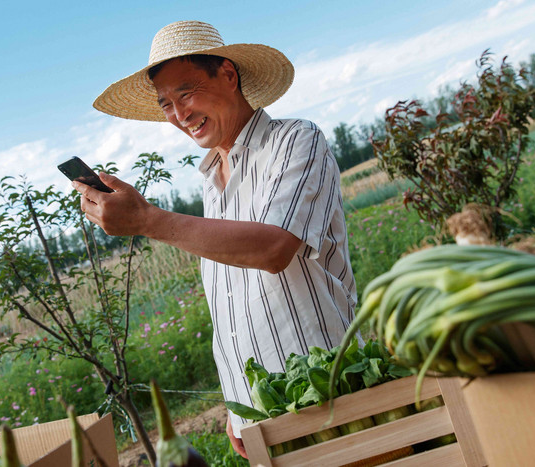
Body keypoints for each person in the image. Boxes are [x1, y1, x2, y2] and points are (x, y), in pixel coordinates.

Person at [74, 20, 357, 458]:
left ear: (227, 74)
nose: (178, 115)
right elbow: (235, 299)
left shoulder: (295, 140)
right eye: (166, 103)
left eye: (185, 93)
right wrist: (237, 401)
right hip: (263, 408)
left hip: (329, 389)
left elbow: (272, 249)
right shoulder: (211, 178)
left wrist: (148, 220)